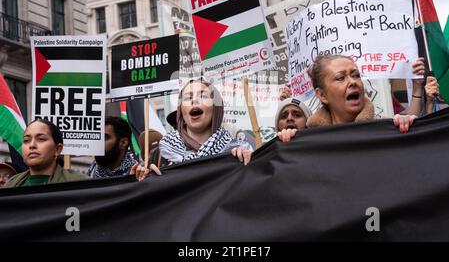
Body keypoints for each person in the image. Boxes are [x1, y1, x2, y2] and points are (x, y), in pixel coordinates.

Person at [132, 78, 251, 181]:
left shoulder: (234, 153)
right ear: (181, 112)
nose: (194, 100)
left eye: (203, 95)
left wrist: (251, 164)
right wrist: (143, 180)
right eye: (187, 97)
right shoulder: (161, 155)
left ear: (216, 109)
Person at [279, 55, 417, 142]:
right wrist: (287, 143)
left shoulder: (386, 131)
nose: (352, 82)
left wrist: (409, 128)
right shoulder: (308, 143)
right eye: (340, 78)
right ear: (322, 95)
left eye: (356, 75)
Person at [3, 119, 88, 187]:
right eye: (26, 140)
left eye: (41, 139)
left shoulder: (81, 185)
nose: (32, 145)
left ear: (57, 149)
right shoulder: (10, 186)